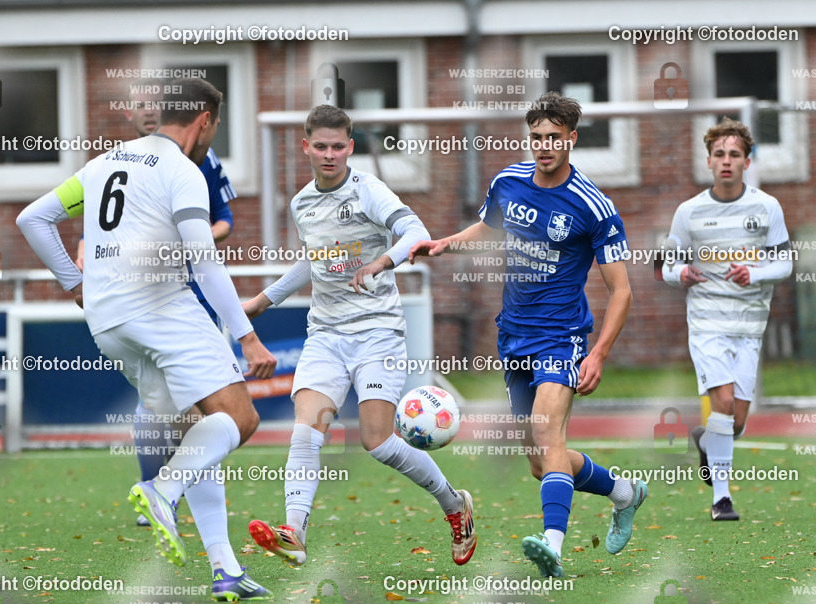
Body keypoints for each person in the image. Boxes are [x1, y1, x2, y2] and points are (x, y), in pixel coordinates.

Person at [16, 78, 277, 601]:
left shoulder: (105, 161)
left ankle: (226, 570)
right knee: (239, 419)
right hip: (163, 310)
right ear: (204, 119)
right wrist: (248, 338)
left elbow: (32, 218)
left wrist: (75, 283)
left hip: (109, 322)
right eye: (216, 125)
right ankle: (162, 488)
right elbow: (204, 262)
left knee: (196, 431)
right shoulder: (183, 172)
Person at [409, 91, 646, 578]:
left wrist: (598, 354)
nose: (544, 146)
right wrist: (444, 244)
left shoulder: (593, 206)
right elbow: (487, 229)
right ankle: (624, 492)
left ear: (572, 140)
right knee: (542, 462)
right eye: (537, 137)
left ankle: (552, 546)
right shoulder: (507, 182)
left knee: (545, 431)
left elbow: (621, 291)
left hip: (563, 337)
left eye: (554, 138)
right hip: (514, 335)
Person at [242, 105, 477, 567]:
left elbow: (416, 232)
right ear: (306, 147)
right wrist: (261, 302)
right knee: (307, 430)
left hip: (377, 333)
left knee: (378, 441)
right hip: (326, 333)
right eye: (321, 147)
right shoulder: (302, 202)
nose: (330, 155)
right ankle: (294, 531)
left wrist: (382, 262)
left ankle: (455, 506)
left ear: (349, 147)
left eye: (338, 147)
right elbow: (313, 261)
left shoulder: (367, 190)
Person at [74, 79, 238, 526]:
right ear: (129, 116)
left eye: (155, 107)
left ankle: (215, 553)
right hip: (155, 302)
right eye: (140, 109)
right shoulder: (124, 160)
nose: (148, 115)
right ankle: (161, 490)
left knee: (195, 413)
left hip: (187, 294)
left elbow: (222, 223)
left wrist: (184, 242)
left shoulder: (198, 161)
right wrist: (87, 247)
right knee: (208, 415)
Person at [662, 117, 793, 521]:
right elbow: (664, 264)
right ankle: (722, 498)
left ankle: (706, 442)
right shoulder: (689, 212)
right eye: (719, 154)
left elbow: (785, 262)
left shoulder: (767, 207)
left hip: (749, 327)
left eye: (734, 154)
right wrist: (680, 273)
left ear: (747, 162)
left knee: (735, 421)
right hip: (707, 324)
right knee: (719, 403)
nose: (726, 161)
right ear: (708, 161)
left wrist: (753, 272)